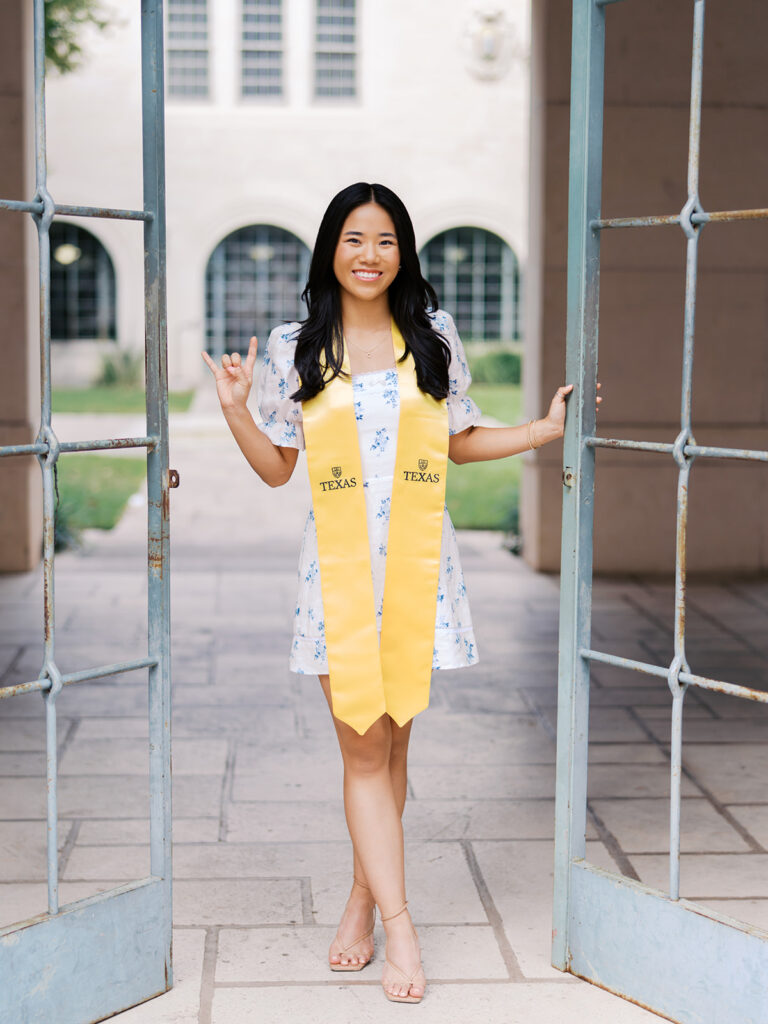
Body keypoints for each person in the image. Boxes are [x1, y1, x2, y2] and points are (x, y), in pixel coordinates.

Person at [201, 181, 601, 1004]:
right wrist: (238, 410)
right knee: (363, 747)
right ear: (330, 249)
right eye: (354, 239)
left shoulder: (432, 334)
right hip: (337, 571)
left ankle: (360, 899)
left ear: (403, 252)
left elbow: (458, 440)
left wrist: (542, 431)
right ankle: (401, 926)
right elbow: (278, 468)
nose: (370, 255)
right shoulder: (295, 346)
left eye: (385, 240)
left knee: (394, 748)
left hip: (417, 564)